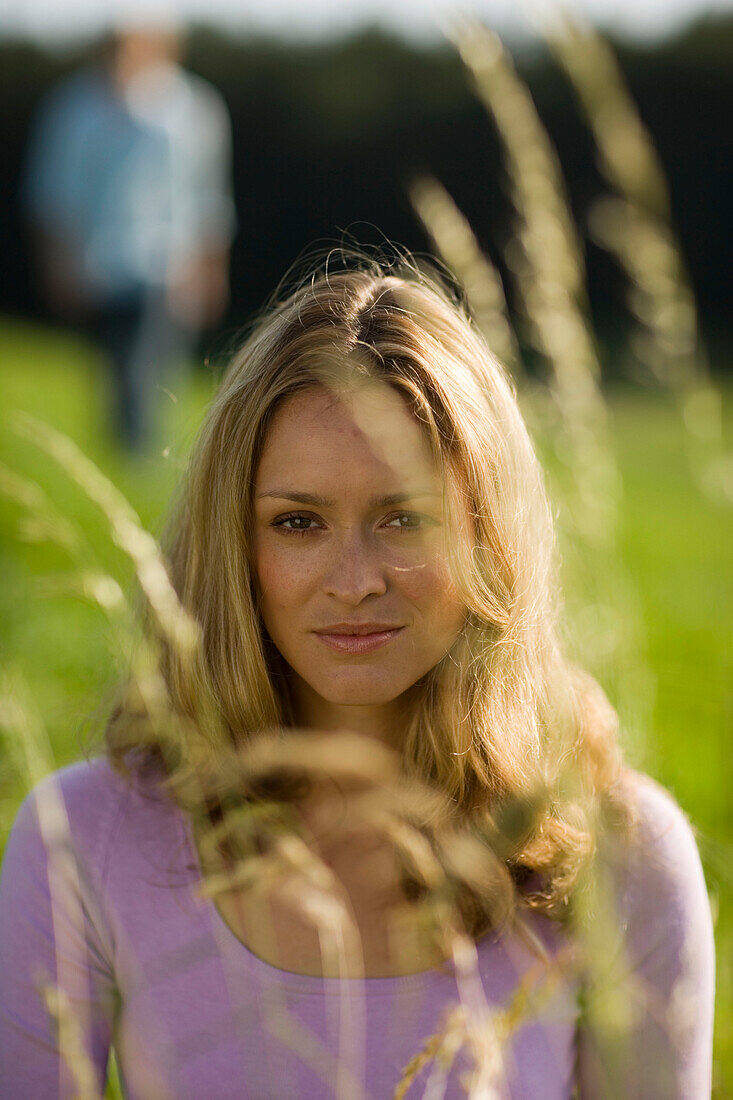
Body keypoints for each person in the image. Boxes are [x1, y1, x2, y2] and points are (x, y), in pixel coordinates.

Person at [0, 257, 715, 1097]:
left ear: (489, 538)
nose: (353, 579)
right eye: (297, 522)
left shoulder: (617, 856)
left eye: (403, 519)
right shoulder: (87, 838)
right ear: (237, 544)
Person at [23, 20, 236, 452]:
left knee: (155, 369)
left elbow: (207, 197)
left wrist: (211, 269)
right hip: (102, 267)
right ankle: (135, 456)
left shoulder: (193, 108)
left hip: (169, 266)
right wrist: (60, 263)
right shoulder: (74, 108)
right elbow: (56, 196)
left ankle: (148, 457)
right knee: (123, 370)